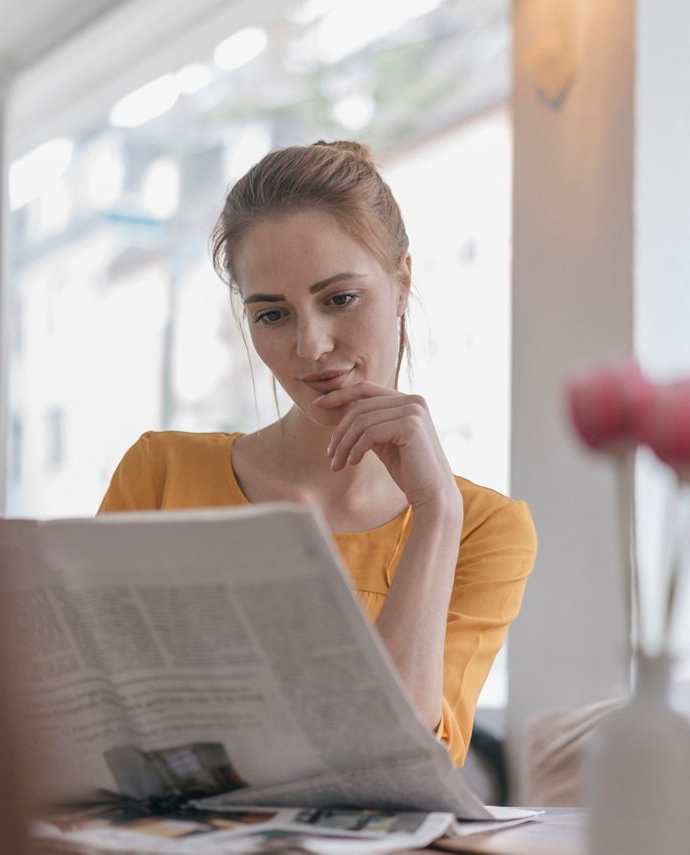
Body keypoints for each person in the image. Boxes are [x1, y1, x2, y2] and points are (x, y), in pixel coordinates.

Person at [98, 141, 536, 767]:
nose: (310, 347)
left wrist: (434, 510)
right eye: (273, 314)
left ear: (402, 281)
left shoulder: (484, 529)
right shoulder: (160, 475)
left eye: (339, 299)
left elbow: (403, 759)